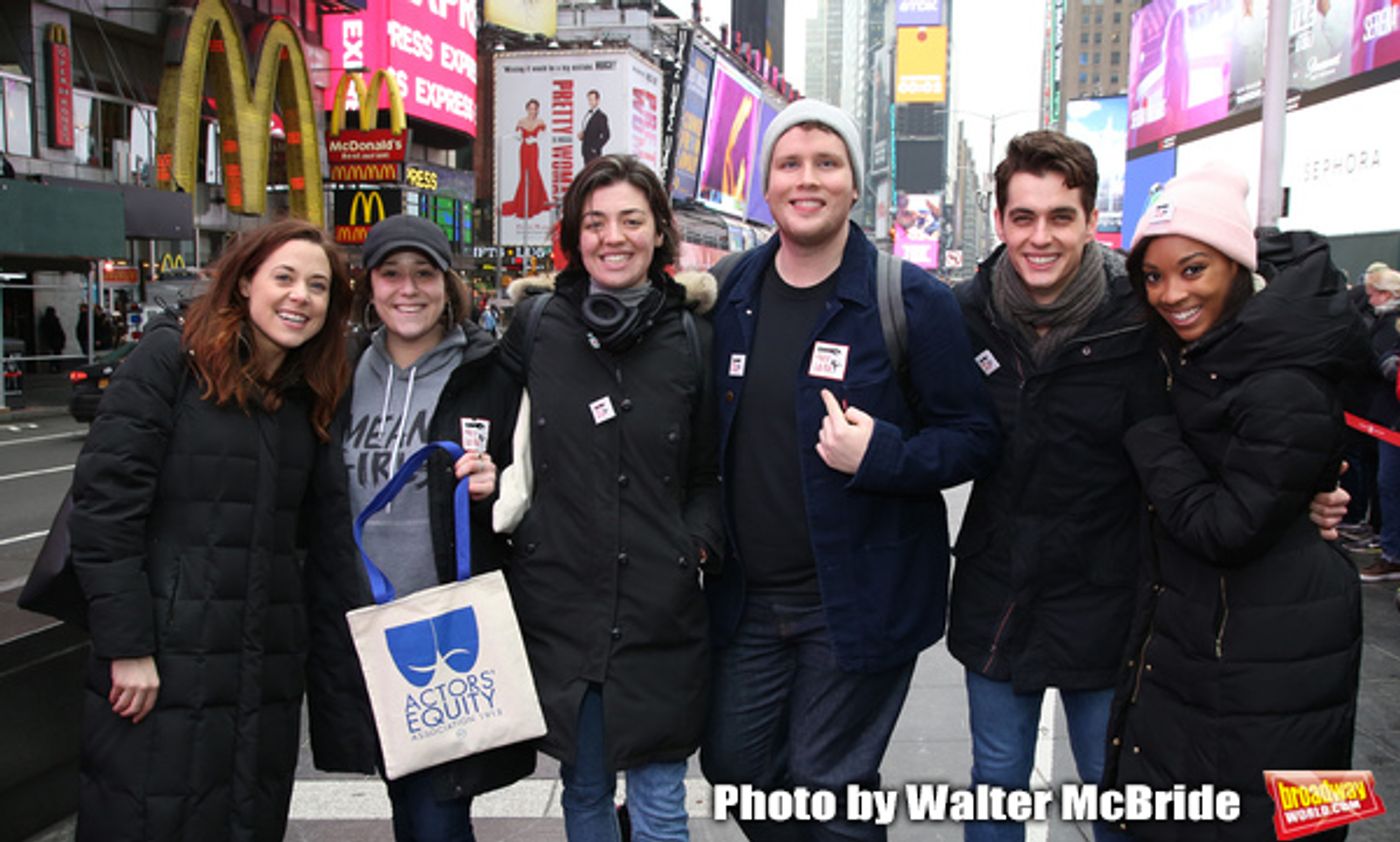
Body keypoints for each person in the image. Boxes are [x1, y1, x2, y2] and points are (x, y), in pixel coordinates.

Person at [948, 131, 1354, 842]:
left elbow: (1225, 418)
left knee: (1119, 799)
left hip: (1118, 601)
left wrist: (1306, 492)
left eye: (1061, 216)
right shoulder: (962, 312)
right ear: (1000, 219)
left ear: (1087, 217)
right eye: (1022, 217)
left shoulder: (1142, 314)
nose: (1040, 237)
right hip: (1000, 594)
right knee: (996, 784)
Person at [699, 99, 1000, 842]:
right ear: (766, 185)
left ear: (855, 185)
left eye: (827, 164)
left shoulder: (910, 300)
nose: (808, 180)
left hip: (858, 602)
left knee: (827, 783)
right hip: (748, 604)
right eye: (790, 164)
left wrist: (884, 455)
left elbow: (972, 437)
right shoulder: (730, 291)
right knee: (736, 768)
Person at [67, 219, 356, 841]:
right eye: (284, 277)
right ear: (246, 279)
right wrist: (127, 647)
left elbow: (314, 544)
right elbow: (104, 508)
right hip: (163, 665)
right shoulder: (171, 360)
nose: (299, 297)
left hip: (263, 675)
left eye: (318, 286)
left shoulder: (307, 395)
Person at [1104, 164, 1366, 839]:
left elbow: (1227, 526)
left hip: (1272, 661)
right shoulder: (1207, 360)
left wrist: (1149, 430)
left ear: (1237, 268)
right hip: (1217, 650)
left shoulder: (1280, 381)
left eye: (1193, 270)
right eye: (1154, 277)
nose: (1171, 294)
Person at [497, 154, 723, 841]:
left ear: (660, 233)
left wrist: (694, 546)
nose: (612, 237)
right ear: (575, 236)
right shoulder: (537, 328)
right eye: (594, 223)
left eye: (631, 220)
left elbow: (712, 471)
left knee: (659, 809)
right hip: (563, 607)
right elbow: (485, 427)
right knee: (585, 792)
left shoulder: (694, 336)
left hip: (663, 616)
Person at [308, 215, 535, 842]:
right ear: (369, 286)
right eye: (391, 273)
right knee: (404, 801)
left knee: (437, 813)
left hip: (451, 629)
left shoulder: (491, 372)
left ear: (448, 284)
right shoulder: (336, 372)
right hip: (364, 628)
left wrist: (499, 481)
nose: (408, 289)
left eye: (424, 273)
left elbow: (533, 475)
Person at [501, 99, 550, 219]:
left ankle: (535, 204)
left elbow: (543, 135)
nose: (532, 111)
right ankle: (523, 204)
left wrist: (534, 139)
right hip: (524, 150)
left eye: (534, 108)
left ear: (537, 110)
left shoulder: (540, 121)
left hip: (533, 149)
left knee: (533, 173)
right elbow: (518, 136)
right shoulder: (521, 121)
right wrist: (509, 137)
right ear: (527, 109)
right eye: (530, 108)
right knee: (524, 174)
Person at [578, 89, 610, 164]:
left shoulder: (601, 116)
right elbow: (590, 131)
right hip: (586, 151)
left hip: (594, 153)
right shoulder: (588, 114)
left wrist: (595, 147)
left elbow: (606, 135)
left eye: (592, 99)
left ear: (597, 100)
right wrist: (583, 135)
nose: (590, 102)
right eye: (589, 100)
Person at [39, 305, 65, 371]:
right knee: (57, 354)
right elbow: (59, 330)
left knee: (52, 355)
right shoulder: (55, 320)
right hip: (56, 340)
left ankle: (53, 367)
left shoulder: (44, 320)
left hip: (50, 340)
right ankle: (58, 367)